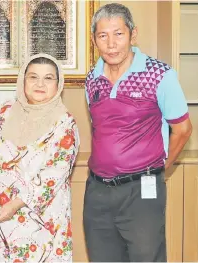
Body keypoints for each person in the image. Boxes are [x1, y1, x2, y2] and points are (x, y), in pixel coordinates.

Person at [83, 3, 192, 262]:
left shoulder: (160, 75)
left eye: (118, 34)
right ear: (94, 40)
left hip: (142, 192)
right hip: (97, 191)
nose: (111, 44)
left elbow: (183, 129)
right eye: (103, 36)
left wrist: (158, 169)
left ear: (133, 34)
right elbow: (100, 129)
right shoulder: (92, 79)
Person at [0, 53, 80, 262]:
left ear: (58, 83)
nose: (40, 84)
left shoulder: (65, 124)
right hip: (4, 217)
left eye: (48, 78)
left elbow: (52, 178)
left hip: (41, 221)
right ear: (23, 80)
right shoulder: (6, 112)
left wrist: (15, 204)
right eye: (33, 77)